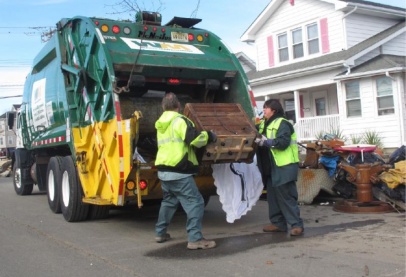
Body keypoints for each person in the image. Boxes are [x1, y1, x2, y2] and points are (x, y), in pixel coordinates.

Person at [154, 92, 218, 250]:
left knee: (169, 201)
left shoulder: (160, 123)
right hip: (179, 170)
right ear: (178, 106)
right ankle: (195, 239)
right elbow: (195, 140)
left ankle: (160, 233)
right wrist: (209, 135)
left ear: (163, 107)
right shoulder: (179, 120)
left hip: (163, 169)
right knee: (196, 202)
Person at [255, 99, 304, 236]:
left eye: (266, 108)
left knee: (286, 196)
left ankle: (296, 225)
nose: (264, 110)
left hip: (284, 166)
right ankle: (278, 223)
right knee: (273, 197)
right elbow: (255, 131)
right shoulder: (264, 123)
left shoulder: (283, 123)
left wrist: (266, 142)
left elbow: (283, 143)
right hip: (271, 167)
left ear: (274, 110)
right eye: (263, 108)